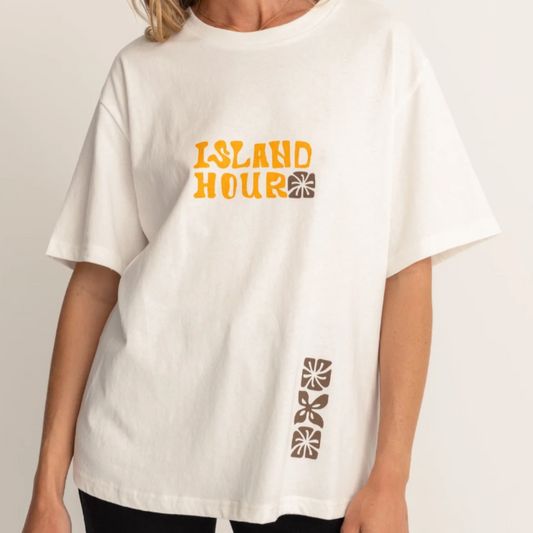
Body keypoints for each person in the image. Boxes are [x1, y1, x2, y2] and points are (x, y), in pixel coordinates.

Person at [22, 0, 502, 532]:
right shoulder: (142, 69)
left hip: (307, 449)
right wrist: (46, 488)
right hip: (140, 447)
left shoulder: (377, 49)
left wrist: (392, 476)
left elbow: (407, 270)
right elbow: (95, 283)